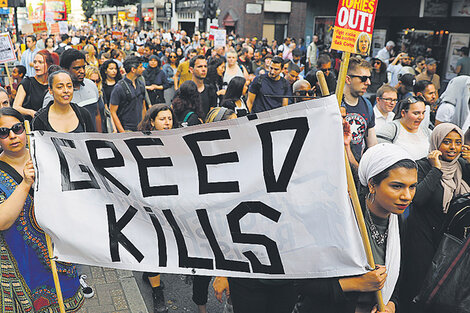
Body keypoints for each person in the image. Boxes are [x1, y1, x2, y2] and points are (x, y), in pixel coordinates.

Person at [296, 143, 417, 313]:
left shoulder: (401, 222)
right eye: (396, 186)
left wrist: (391, 305)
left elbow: (399, 277)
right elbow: (302, 283)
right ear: (372, 185)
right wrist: (356, 283)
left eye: (412, 187)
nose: (406, 196)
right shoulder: (342, 218)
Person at [0, 107, 85, 312]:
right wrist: (26, 183)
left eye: (17, 128)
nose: (12, 135)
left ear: (25, 129)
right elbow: (2, 221)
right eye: (3, 132)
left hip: (59, 255)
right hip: (20, 262)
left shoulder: (47, 156)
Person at [400, 123, 470, 313]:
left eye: (457, 143)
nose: (453, 147)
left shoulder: (464, 166)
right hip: (422, 238)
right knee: (418, 286)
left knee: (445, 288)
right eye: (447, 142)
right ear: (436, 142)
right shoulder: (421, 165)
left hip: (451, 241)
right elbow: (418, 199)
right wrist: (436, 169)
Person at [137, 104, 175, 313]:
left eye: (169, 118)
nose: (167, 123)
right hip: (149, 204)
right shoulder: (141, 144)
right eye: (162, 119)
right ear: (152, 122)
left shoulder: (178, 141)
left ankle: (149, 274)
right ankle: (157, 292)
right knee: (154, 246)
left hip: (169, 202)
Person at [42, 48, 100, 129]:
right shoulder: (53, 95)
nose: (82, 71)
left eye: (83, 67)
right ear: (64, 69)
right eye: (77, 68)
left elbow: (97, 114)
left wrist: (99, 139)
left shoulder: (91, 85)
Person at [342, 57, 378, 167]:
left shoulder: (367, 105)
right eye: (363, 78)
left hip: (357, 169)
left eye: (369, 78)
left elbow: (372, 144)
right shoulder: (334, 104)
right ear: (348, 79)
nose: (368, 82)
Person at [13, 50, 54, 120]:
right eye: (35, 62)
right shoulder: (27, 82)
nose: (36, 65)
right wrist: (31, 112)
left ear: (49, 64)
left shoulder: (53, 84)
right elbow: (16, 107)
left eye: (40, 62)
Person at [110, 55, 146, 132]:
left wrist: (143, 126)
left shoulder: (141, 84)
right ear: (133, 69)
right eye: (140, 67)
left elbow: (143, 106)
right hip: (126, 129)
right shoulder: (119, 88)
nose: (143, 69)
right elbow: (112, 111)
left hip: (139, 129)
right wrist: (122, 131)